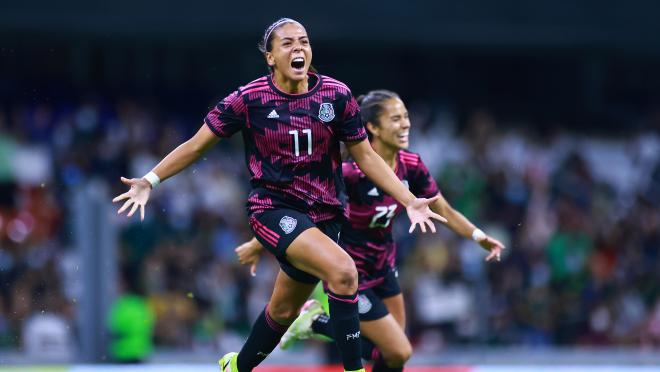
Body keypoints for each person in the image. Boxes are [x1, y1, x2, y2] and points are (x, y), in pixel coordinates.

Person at [112, 19, 445, 372]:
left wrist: (408, 199)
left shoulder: (337, 95)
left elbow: (365, 156)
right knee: (344, 272)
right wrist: (150, 179)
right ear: (270, 57)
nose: (297, 48)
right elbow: (196, 147)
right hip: (273, 210)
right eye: (287, 43)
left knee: (284, 312)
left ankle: (235, 367)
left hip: (325, 219)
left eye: (303, 41)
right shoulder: (248, 99)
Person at [235, 90, 505, 372]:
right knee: (397, 351)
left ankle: (315, 323)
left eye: (406, 118)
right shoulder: (351, 172)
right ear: (373, 127)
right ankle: (314, 322)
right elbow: (310, 211)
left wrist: (479, 237)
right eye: (396, 119)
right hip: (352, 272)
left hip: (384, 268)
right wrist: (259, 242)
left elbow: (445, 211)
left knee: (394, 356)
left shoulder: (411, 165)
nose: (406, 125)